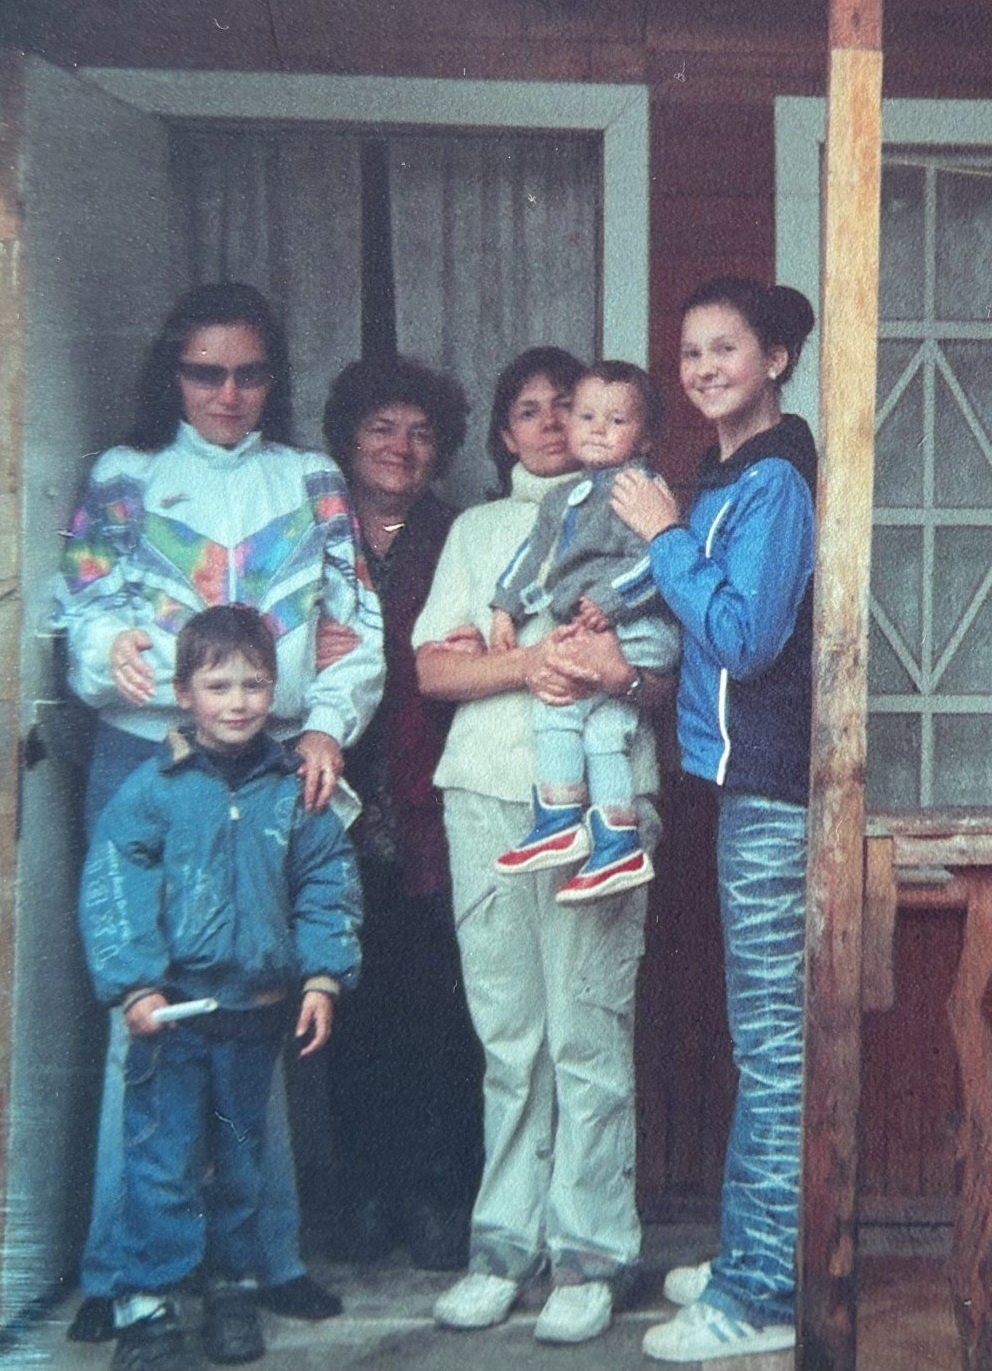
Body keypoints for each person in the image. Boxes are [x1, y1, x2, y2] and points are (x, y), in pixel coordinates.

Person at [56, 282, 381, 1339]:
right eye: (207, 372)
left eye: (249, 372)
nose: (229, 393)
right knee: (145, 1025)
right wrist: (112, 653)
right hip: (147, 760)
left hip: (272, 766)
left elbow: (353, 624)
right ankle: (120, 1275)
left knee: (260, 1009)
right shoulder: (126, 476)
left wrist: (328, 722)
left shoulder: (310, 478)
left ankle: (263, 1258)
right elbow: (82, 614)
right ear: (173, 373)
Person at [410, 346, 672, 1348]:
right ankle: (502, 1242)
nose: (555, 423)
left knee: (587, 1030)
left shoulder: (638, 512)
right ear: (505, 433)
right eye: (530, 409)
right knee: (511, 1034)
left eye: (573, 406)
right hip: (486, 795)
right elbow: (436, 670)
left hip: (604, 802)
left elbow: (658, 671)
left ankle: (591, 1249)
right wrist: (535, 660)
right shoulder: (480, 530)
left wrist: (603, 668)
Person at [612, 278, 819, 1364]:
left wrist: (663, 538)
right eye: (688, 351)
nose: (700, 369)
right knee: (765, 1041)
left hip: (775, 796)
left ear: (776, 358)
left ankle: (758, 1296)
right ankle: (754, 1246)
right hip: (739, 789)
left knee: (776, 1050)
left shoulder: (776, 478)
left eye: (724, 348)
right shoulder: (730, 471)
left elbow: (744, 637)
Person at [80, 605, 362, 1371]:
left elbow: (324, 885)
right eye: (218, 684)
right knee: (162, 1158)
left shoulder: (292, 789)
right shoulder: (155, 789)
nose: (237, 701)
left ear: (275, 689)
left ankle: (235, 1285)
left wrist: (322, 977)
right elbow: (114, 886)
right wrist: (134, 984)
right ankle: (148, 1302)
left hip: (257, 1013)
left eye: (254, 683)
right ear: (183, 693)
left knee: (240, 1159)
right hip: (172, 1016)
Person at [313, 355, 483, 1270]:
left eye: (420, 433)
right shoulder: (313, 532)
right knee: (346, 999)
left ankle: (433, 1197)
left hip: (422, 805)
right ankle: (364, 1193)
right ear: (348, 438)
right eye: (382, 428)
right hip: (329, 801)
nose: (401, 447)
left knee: (433, 1008)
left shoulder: (456, 536)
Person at [486, 359, 681, 902]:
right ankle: (617, 840)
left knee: (560, 704)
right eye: (587, 415)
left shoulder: (636, 487)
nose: (597, 429)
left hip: (639, 629)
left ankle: (558, 817)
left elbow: (663, 557)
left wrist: (611, 601)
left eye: (616, 421)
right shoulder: (564, 498)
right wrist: (505, 608)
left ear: (644, 439)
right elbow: (533, 561)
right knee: (603, 732)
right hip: (608, 628)